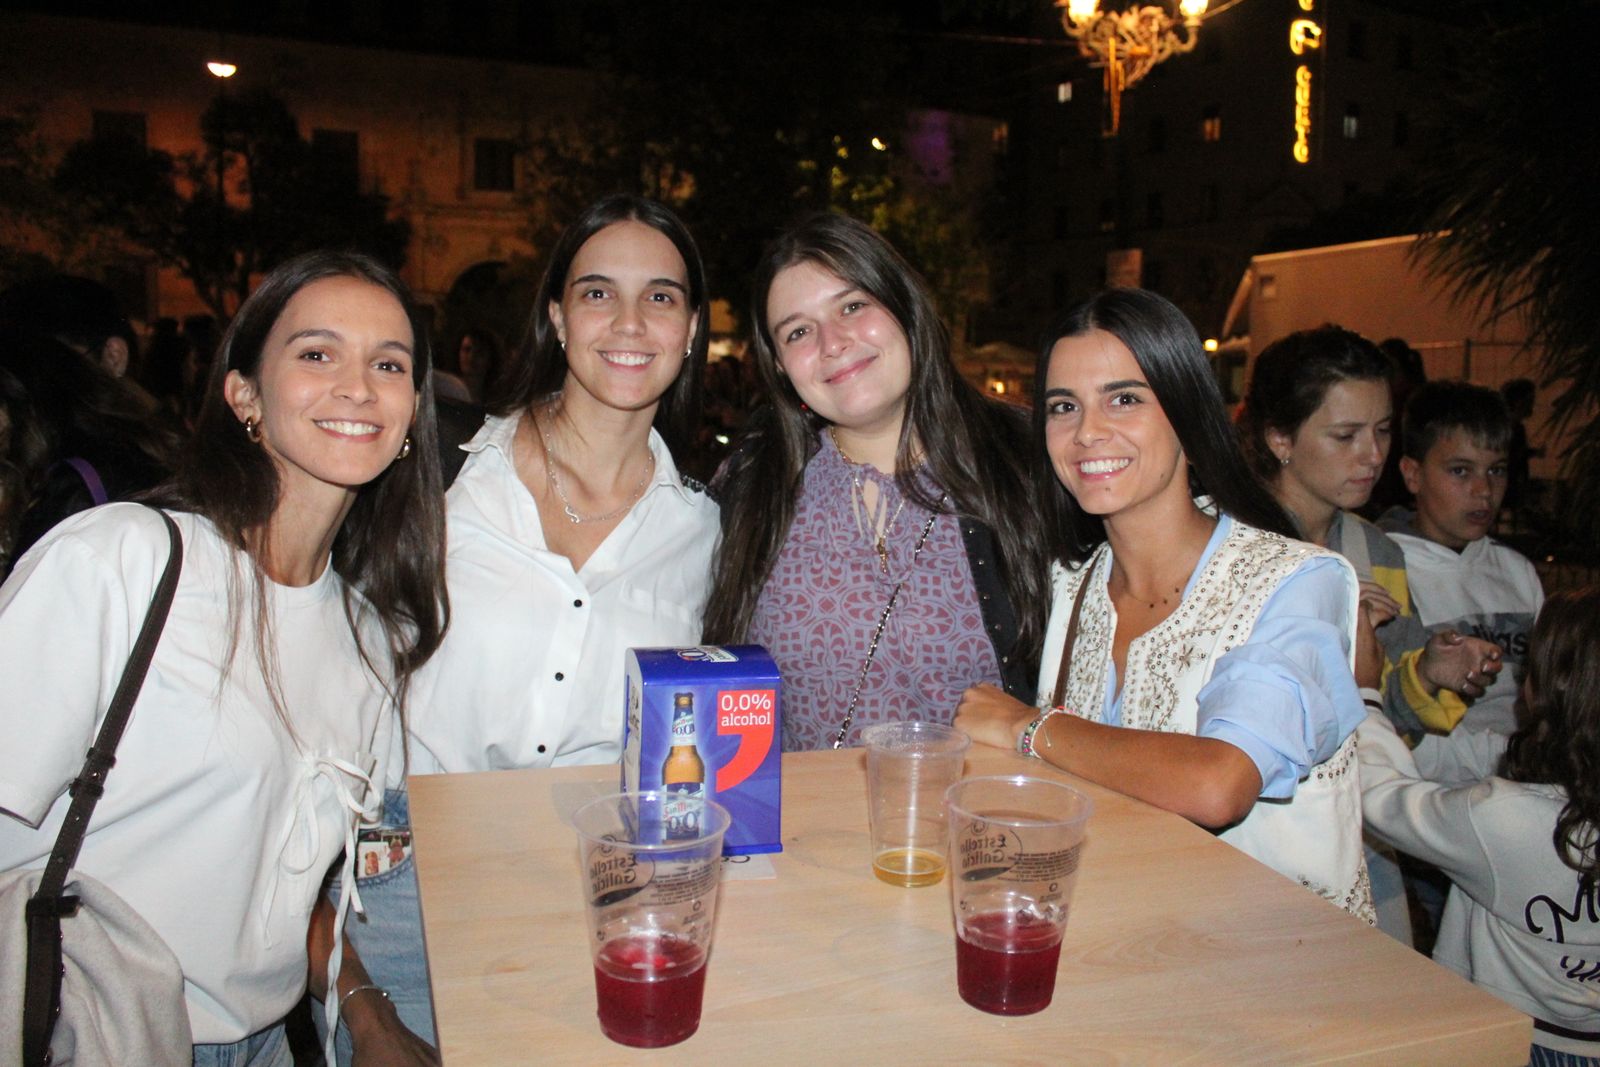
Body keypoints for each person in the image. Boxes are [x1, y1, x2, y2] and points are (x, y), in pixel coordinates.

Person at [0, 250, 448, 1065]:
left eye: (390, 363)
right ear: (243, 393)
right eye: (317, 353)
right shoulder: (125, 564)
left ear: (412, 410)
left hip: (270, 1043)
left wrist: (370, 1016)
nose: (358, 385)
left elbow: (293, 894)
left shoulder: (370, 640)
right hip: (93, 1031)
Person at [328, 195, 719, 1062]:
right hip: (407, 880)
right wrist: (359, 1002)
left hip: (600, 889)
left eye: (661, 296)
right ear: (555, 315)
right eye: (596, 292)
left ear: (692, 328)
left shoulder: (704, 531)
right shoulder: (440, 471)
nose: (628, 321)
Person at [955, 288, 1372, 921]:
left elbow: (1220, 784)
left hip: (1285, 972)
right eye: (1063, 406)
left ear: (1186, 413)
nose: (1088, 432)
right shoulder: (1070, 585)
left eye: (1124, 399)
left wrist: (1025, 725)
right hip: (1132, 946)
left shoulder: (1295, 581)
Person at [704, 212, 1049, 750]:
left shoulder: (1030, 460)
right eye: (798, 331)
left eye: (852, 305)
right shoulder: (748, 485)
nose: (833, 342)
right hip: (805, 830)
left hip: (982, 823)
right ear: (779, 367)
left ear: (904, 306)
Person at [1239, 325, 1504, 943]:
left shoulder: (1375, 549)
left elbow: (1384, 719)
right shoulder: (1221, 541)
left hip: (1356, 839)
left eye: (1383, 430)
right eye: (1345, 435)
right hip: (1248, 842)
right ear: (1280, 438)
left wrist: (1429, 674)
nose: (1372, 455)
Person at [1360, 586, 1600, 1066]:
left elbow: (1379, 795)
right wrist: (1422, 683)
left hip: (1513, 1042)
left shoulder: (1506, 818)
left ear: (1551, 689)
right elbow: (1457, 757)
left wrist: (1365, 692)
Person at [1378, 380, 1544, 784]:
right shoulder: (1386, 567)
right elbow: (1386, 714)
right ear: (1413, 474)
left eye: (1496, 471)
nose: (1483, 490)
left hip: (1524, 776)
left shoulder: (1517, 572)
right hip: (1431, 792)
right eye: (1460, 471)